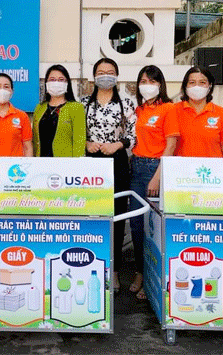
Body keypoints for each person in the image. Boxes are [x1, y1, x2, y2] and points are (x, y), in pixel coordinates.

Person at [80, 58, 136, 292]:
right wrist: (86, 143)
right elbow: (74, 134)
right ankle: (90, 265)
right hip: (90, 163)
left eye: (110, 72)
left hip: (117, 162)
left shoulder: (126, 102)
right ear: (93, 77)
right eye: (101, 72)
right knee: (91, 214)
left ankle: (113, 271)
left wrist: (119, 144)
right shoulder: (82, 103)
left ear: (117, 76)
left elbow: (134, 135)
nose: (105, 76)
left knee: (117, 215)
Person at [128, 65, 178, 300]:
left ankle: (153, 280)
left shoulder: (168, 109)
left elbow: (171, 144)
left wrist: (157, 176)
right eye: (143, 80)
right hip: (136, 167)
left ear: (160, 85)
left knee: (154, 227)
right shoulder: (139, 109)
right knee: (137, 225)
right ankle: (140, 272)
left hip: (155, 169)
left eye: (152, 81)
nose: (147, 85)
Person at [168, 66, 223, 158]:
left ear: (210, 86)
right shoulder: (173, 110)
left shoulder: (221, 113)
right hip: (182, 169)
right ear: (185, 86)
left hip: (211, 170)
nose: (197, 86)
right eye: (192, 82)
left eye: (202, 82)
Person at [32, 64, 86, 157]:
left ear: (67, 84)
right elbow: (35, 139)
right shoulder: (39, 108)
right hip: (41, 162)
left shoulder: (76, 108)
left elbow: (79, 142)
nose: (56, 82)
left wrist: (77, 166)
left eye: (61, 80)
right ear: (46, 83)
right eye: (52, 79)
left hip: (65, 164)